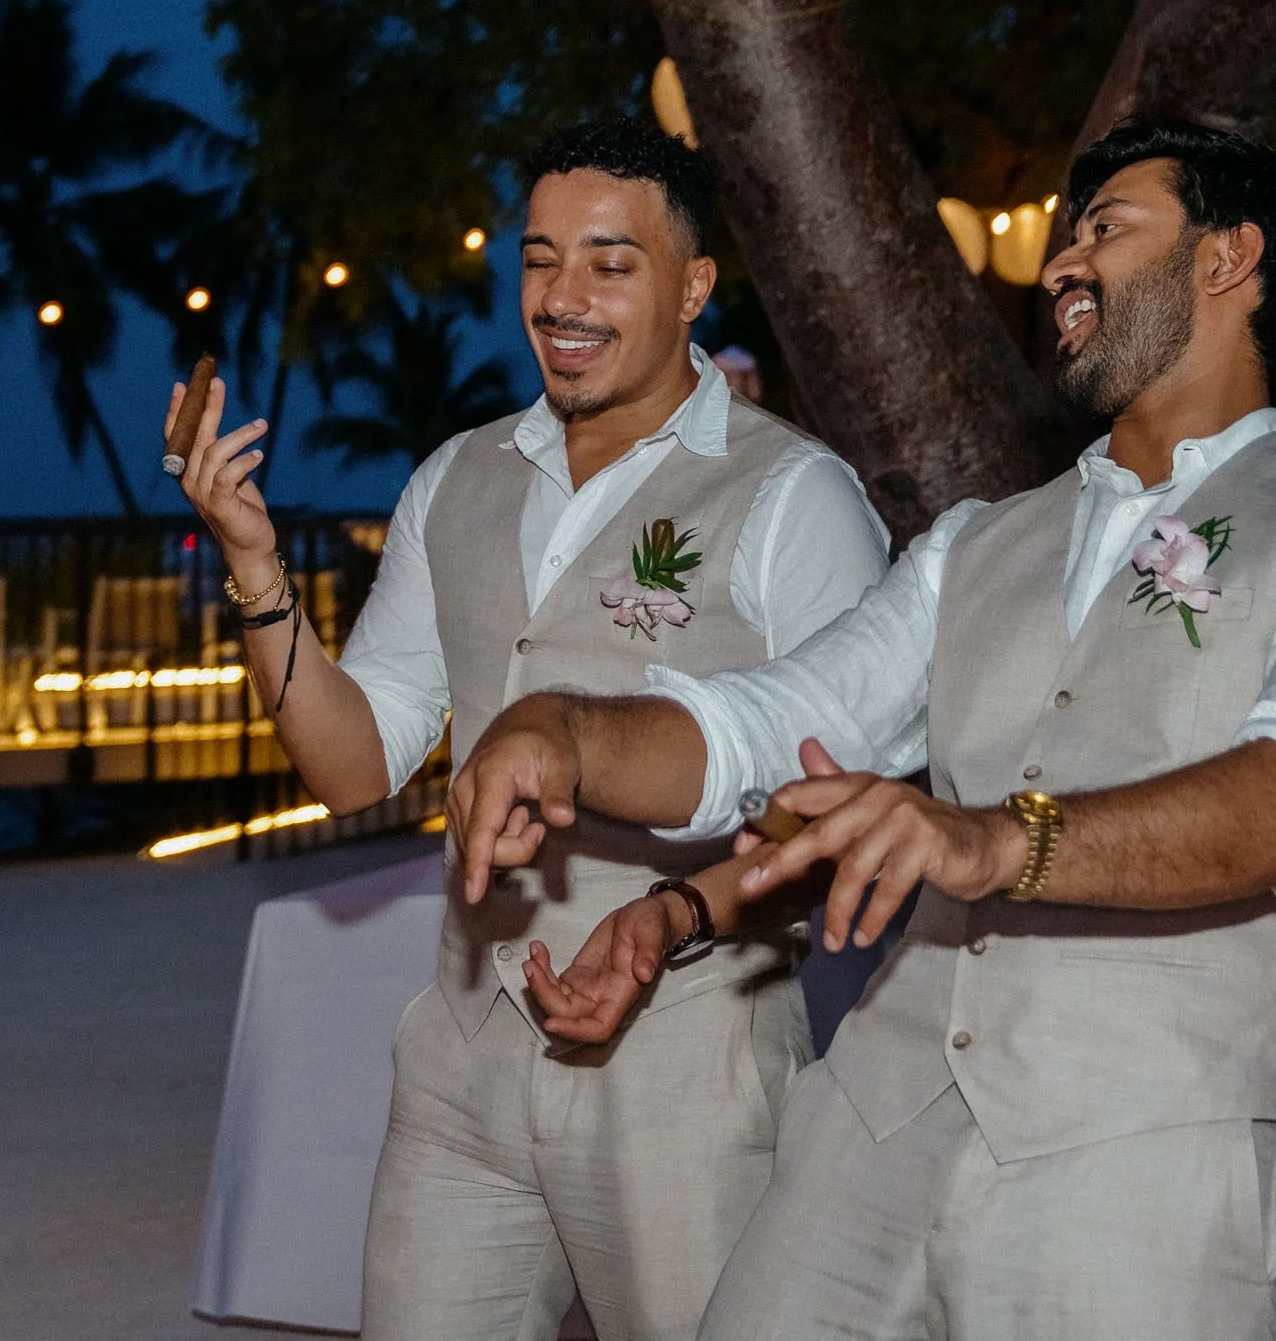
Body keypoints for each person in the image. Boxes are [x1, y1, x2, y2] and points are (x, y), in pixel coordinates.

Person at [457, 120, 1276, 1338]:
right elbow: (780, 717)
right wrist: (564, 732)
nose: (1058, 266)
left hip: (1149, 1148)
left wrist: (992, 841)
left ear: (1227, 256)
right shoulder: (977, 542)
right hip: (874, 1119)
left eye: (1106, 227)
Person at [166, 117, 889, 1341]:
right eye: (540, 257)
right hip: (463, 1044)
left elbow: (845, 817)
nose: (562, 296)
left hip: (686, 1056)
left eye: (610, 262)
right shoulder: (456, 476)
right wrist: (255, 564)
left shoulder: (790, 495)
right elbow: (351, 765)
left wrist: (672, 919)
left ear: (692, 287)